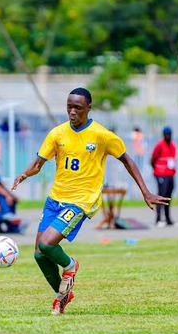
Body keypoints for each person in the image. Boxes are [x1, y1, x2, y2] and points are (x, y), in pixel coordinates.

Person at [11, 88, 169, 315]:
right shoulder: (57, 133)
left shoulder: (101, 135)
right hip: (55, 198)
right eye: (69, 107)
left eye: (78, 108)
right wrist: (24, 175)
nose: (72, 112)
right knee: (39, 254)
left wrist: (146, 191)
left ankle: (70, 265)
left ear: (88, 108)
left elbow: (128, 161)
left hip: (81, 200)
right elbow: (38, 164)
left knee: (46, 244)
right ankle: (62, 296)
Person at [150, 127, 178, 227]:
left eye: (169, 134)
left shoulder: (173, 146)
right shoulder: (159, 145)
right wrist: (156, 170)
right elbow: (153, 159)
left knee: (168, 197)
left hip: (170, 174)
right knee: (161, 195)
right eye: (166, 134)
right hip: (161, 173)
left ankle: (168, 219)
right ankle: (158, 219)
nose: (168, 136)